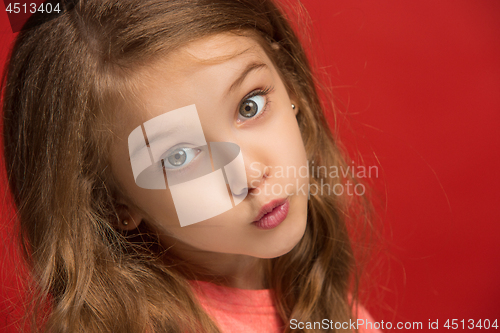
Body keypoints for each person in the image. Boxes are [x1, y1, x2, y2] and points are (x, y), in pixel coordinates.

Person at [1, 0, 379, 332]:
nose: (249, 174)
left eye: (250, 106)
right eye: (178, 156)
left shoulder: (336, 312)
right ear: (114, 203)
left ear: (290, 82)